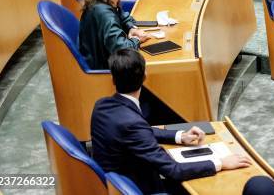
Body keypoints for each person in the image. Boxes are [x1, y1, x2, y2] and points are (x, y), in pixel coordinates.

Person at [91, 49, 252, 194]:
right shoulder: (132, 124)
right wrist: (220, 163)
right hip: (142, 188)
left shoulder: (101, 106)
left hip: (112, 185)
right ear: (145, 76)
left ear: (113, 78)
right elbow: (174, 170)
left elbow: (141, 130)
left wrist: (180, 136)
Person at [79, 0, 151, 70]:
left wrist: (132, 28)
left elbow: (122, 16)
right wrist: (136, 40)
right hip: (106, 70)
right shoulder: (103, 12)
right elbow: (123, 50)